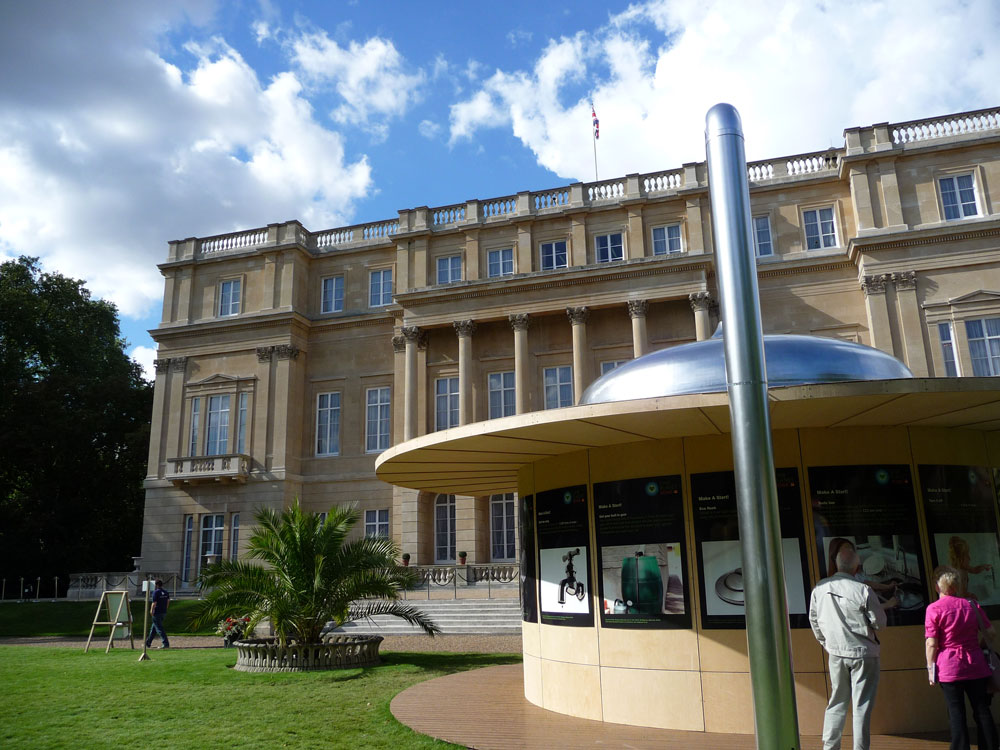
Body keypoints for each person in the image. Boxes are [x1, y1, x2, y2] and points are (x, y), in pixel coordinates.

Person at [809, 544, 893, 750]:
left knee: (836, 702)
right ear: (857, 567)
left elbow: (814, 620)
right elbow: (879, 624)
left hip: (836, 653)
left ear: (836, 564)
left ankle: (830, 747)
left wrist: (827, 644)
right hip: (864, 653)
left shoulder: (820, 588)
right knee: (861, 707)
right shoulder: (863, 590)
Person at [925, 565, 999, 750]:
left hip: (949, 667)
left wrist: (930, 668)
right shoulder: (971, 605)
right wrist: (979, 646)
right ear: (956, 585)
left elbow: (931, 643)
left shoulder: (934, 609)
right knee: (981, 709)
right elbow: (991, 632)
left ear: (937, 586)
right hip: (976, 664)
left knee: (956, 712)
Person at [948, 536, 993, 601]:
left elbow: (975, 570)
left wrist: (984, 566)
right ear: (960, 558)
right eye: (967, 555)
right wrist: (970, 595)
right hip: (960, 602)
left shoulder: (963, 568)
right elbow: (961, 594)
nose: (969, 558)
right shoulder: (960, 573)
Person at [145, 579, 170, 649]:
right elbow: (168, 601)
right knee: (154, 628)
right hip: (163, 612)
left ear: (156, 585)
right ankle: (148, 642)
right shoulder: (166, 592)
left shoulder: (156, 592)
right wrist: (165, 608)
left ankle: (165, 643)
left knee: (159, 628)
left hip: (157, 612)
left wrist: (151, 610)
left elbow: (154, 603)